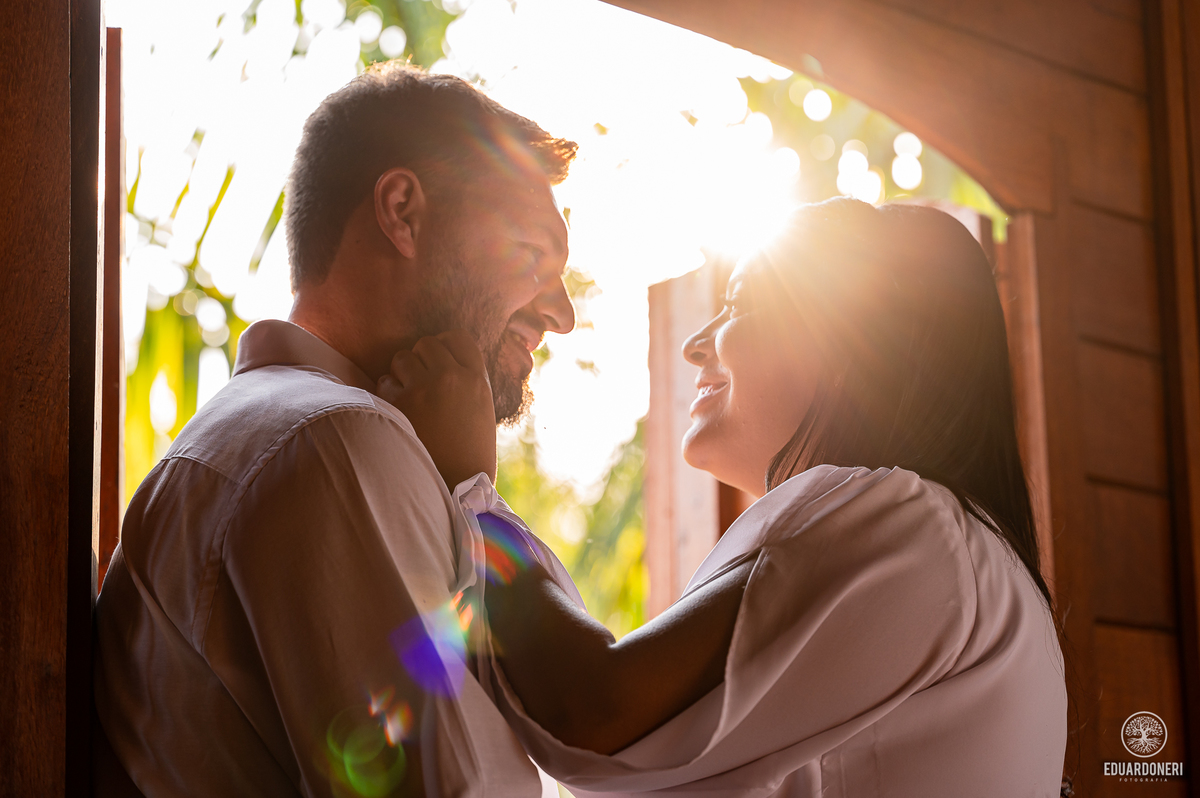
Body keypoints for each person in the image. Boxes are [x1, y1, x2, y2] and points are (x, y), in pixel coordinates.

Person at [385, 198, 1068, 797]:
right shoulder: (954, 552)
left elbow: (592, 712)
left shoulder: (910, 525)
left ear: (855, 338)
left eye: (740, 303)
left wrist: (469, 487)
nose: (694, 345)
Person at [92, 62, 580, 798]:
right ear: (402, 210)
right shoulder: (333, 442)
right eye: (533, 256)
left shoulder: (258, 436)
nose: (560, 313)